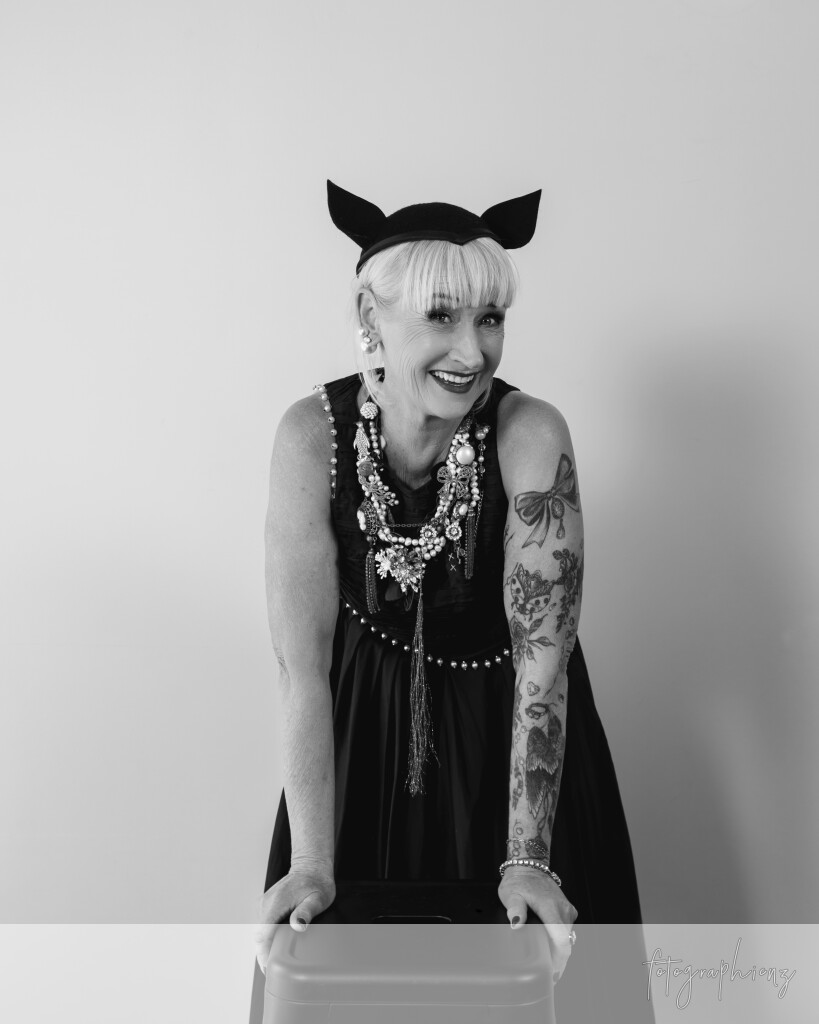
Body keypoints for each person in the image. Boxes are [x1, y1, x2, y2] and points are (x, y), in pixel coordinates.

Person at [249, 179, 645, 1016]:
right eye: (441, 316)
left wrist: (527, 859)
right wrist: (313, 861)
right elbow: (301, 670)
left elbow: (543, 663)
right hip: (359, 762)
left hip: (514, 760)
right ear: (371, 314)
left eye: (490, 319)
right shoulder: (310, 438)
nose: (473, 350)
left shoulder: (531, 435)